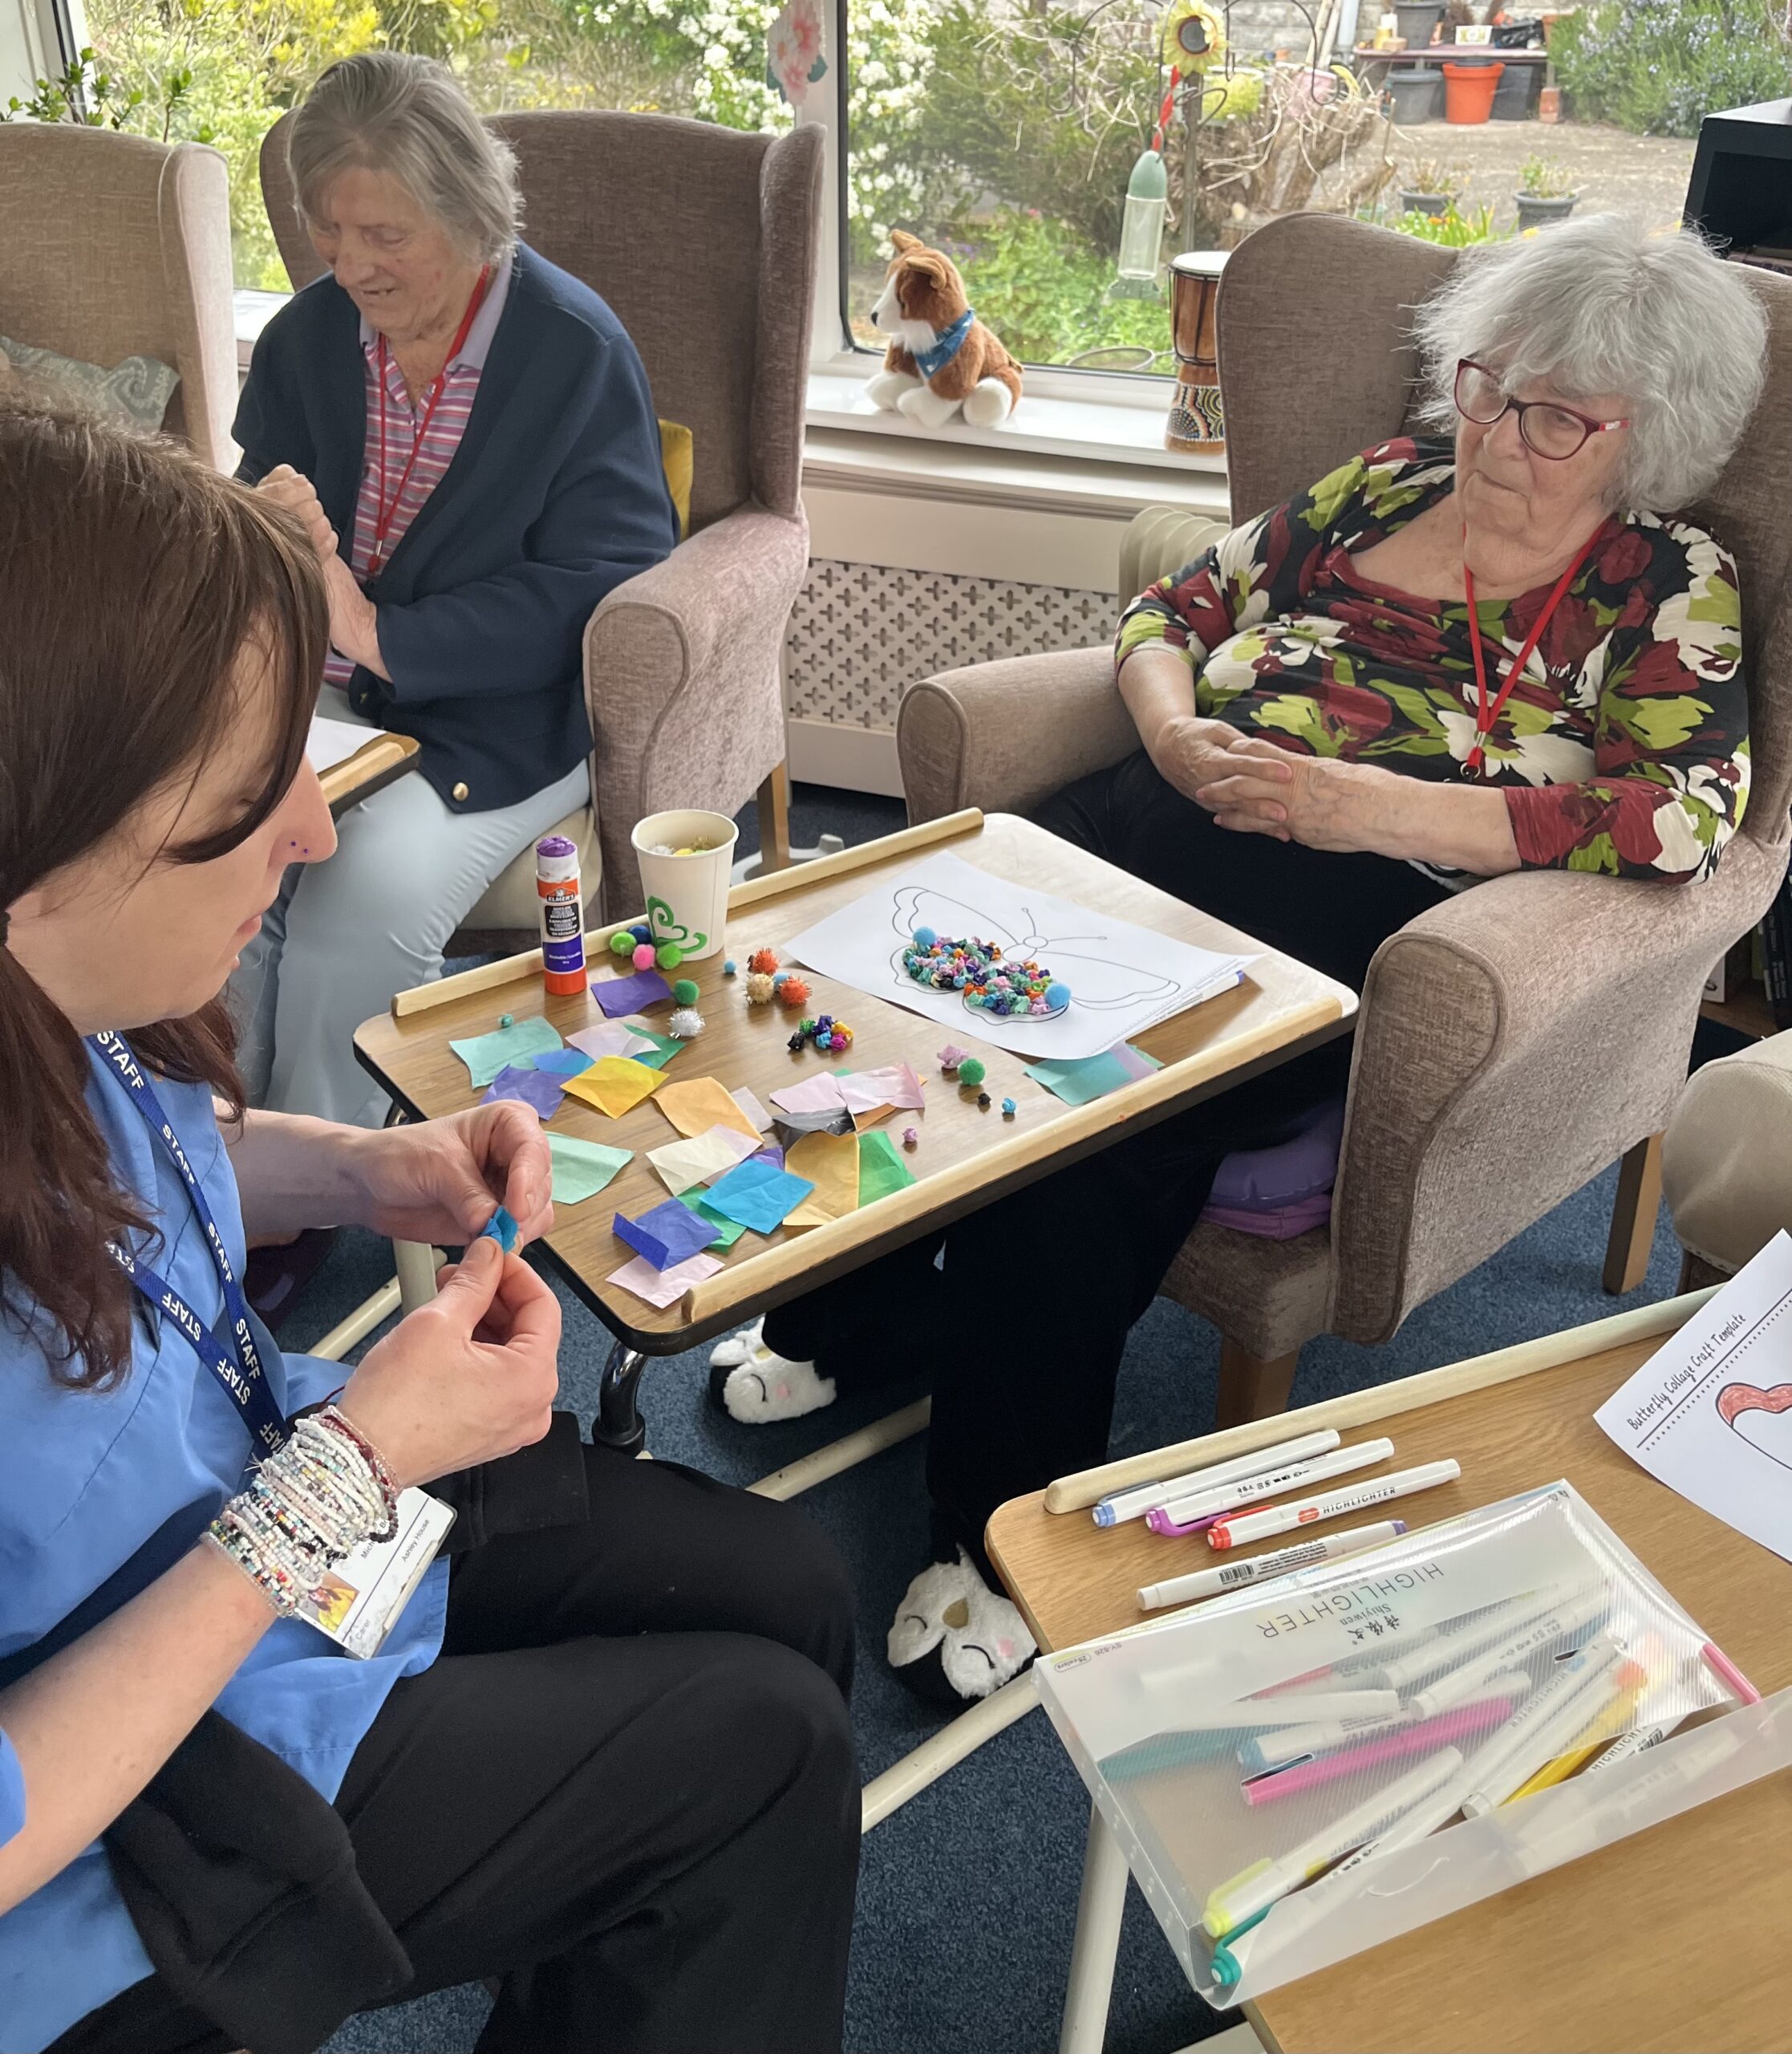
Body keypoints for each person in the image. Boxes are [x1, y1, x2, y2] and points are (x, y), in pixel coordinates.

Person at [707, 214, 1769, 1703]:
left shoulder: (1663, 583)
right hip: (1142, 812)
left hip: (1344, 901)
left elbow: (1679, 822)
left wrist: (1369, 804)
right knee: (879, 992)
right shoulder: (1383, 482)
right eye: (1482, 384)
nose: (1495, 436)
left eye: (1553, 416)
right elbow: (1170, 611)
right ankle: (866, 1316)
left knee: (1087, 1121)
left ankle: (998, 1527)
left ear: (1646, 437)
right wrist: (1166, 724)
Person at [0, 408, 857, 2054]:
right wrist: (341, 1475)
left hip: (260, 1526)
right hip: (123, 1809)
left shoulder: (55, 992)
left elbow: (101, 1173)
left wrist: (358, 1171)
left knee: (787, 1588)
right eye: (252, 798)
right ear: (35, 850)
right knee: (765, 1756)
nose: (314, 834)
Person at [231, 50, 677, 1136]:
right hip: (320, 705)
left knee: (362, 901)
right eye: (331, 232)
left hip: (493, 723)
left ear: (470, 215)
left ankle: (312, 1186)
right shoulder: (305, 338)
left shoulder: (573, 352)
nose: (352, 267)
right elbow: (249, 520)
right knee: (218, 869)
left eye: (385, 236)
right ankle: (213, 1156)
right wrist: (267, 537)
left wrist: (377, 630)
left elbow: (598, 585)